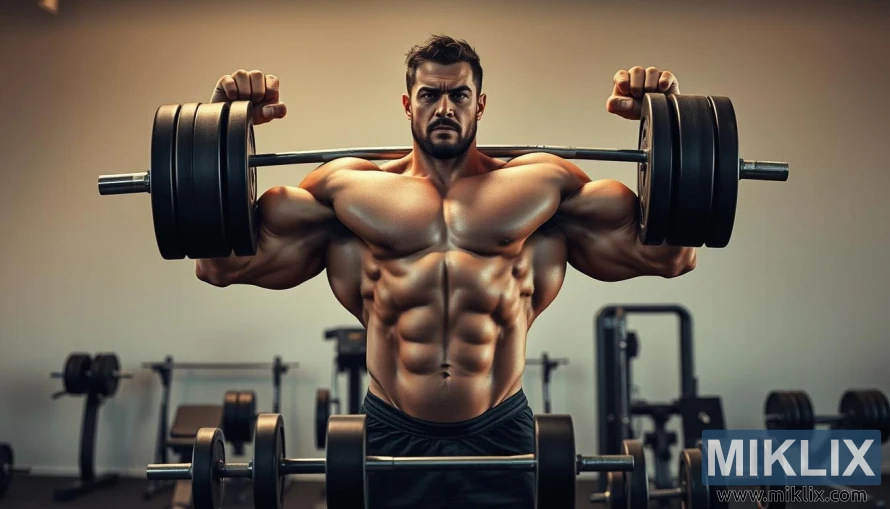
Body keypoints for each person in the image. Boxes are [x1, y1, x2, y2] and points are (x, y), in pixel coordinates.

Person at [196, 34, 694, 508]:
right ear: (408, 104)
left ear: (480, 104)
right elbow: (218, 265)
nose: (445, 107)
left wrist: (673, 128)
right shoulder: (347, 191)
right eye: (430, 94)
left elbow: (670, 257)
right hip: (390, 431)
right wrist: (218, 130)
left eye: (459, 94)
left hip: (502, 431)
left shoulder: (542, 187)